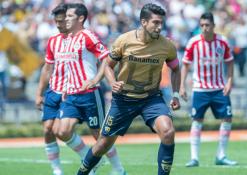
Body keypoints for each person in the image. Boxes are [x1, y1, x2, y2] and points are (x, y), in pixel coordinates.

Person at [77, 3, 181, 175]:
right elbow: (108, 66)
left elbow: (176, 69)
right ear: (143, 22)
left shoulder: (167, 45)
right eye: (155, 22)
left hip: (151, 99)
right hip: (123, 100)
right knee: (103, 144)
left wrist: (176, 94)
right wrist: (112, 83)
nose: (159, 27)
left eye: (161, 23)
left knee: (168, 132)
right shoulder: (124, 41)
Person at [36, 3, 125, 175]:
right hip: (70, 95)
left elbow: (107, 58)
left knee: (99, 136)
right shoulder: (64, 40)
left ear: (81, 18)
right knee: (62, 131)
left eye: (69, 17)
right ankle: (89, 161)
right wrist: (65, 89)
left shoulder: (88, 36)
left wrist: (96, 79)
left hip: (90, 94)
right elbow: (66, 67)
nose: (65, 20)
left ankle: (119, 169)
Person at [180, 12, 237, 167]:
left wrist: (230, 81)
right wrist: (182, 86)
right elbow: (185, 65)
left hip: (219, 88)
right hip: (200, 89)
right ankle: (194, 158)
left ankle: (221, 155)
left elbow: (230, 62)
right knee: (197, 120)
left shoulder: (223, 42)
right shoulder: (193, 42)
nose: (204, 28)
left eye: (207, 25)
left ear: (213, 26)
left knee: (227, 118)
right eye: (202, 25)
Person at [35, 4, 70, 175]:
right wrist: (39, 93)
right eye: (56, 21)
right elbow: (47, 68)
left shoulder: (81, 39)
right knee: (48, 129)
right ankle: (57, 169)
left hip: (71, 92)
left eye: (61, 21)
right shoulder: (53, 41)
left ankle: (90, 158)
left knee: (61, 131)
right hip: (53, 90)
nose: (58, 25)